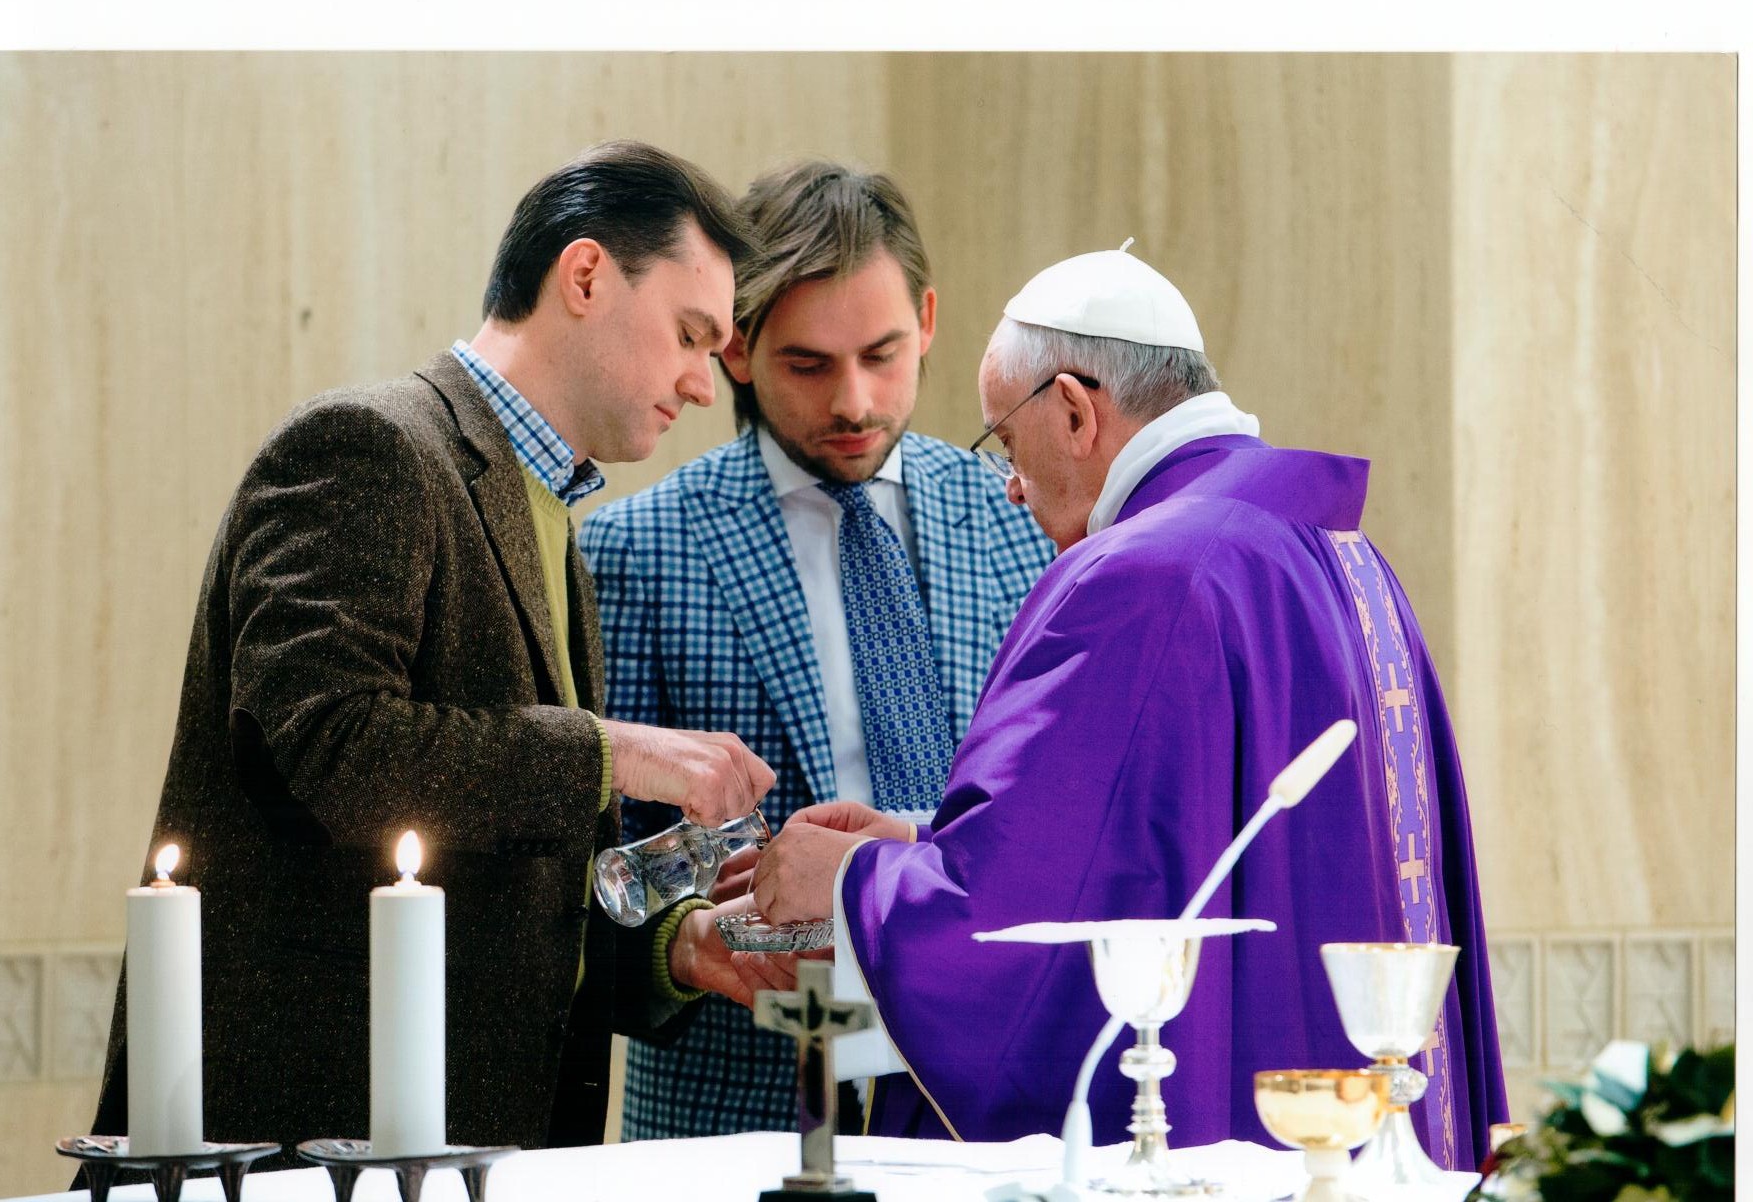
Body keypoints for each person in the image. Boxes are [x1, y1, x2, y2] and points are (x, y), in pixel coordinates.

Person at [92, 141, 789, 1163]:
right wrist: (615, 752)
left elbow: (507, 875)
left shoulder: (554, 512)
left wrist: (671, 948)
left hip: (478, 1142)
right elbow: (327, 745)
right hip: (312, 1135)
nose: (699, 382)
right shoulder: (368, 446)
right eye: (691, 335)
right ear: (586, 275)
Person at [751, 246, 1510, 1166]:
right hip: (1341, 1117)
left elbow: (1018, 927)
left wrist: (843, 882)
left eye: (1003, 439)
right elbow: (1161, 852)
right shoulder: (1341, 558)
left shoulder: (1143, 574)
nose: (1010, 483)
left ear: (1072, 409)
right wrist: (912, 849)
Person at [580, 160, 1054, 1139]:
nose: (853, 400)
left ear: (927, 319)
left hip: (994, 1104)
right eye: (809, 364)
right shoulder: (636, 550)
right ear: (738, 349)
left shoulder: (1022, 518)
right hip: (739, 1117)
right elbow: (587, 884)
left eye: (882, 353)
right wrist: (688, 945)